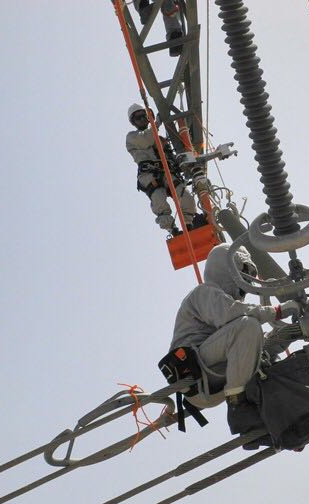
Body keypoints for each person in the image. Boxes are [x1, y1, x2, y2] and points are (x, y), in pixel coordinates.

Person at [169, 243, 300, 409]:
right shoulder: (204, 293)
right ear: (229, 268)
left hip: (213, 380)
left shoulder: (232, 321)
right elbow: (231, 313)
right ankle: (239, 403)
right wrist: (278, 311)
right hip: (194, 370)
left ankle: (256, 403)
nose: (246, 281)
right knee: (248, 326)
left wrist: (286, 335)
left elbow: (245, 344)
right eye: (244, 272)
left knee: (258, 345)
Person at [126, 103, 201, 235]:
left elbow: (171, 156)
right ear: (133, 122)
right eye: (138, 118)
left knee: (185, 196)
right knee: (159, 201)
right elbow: (146, 140)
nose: (142, 119)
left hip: (168, 172)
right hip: (150, 175)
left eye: (144, 116)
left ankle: (188, 225)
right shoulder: (132, 137)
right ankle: (172, 230)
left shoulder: (161, 139)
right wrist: (157, 123)